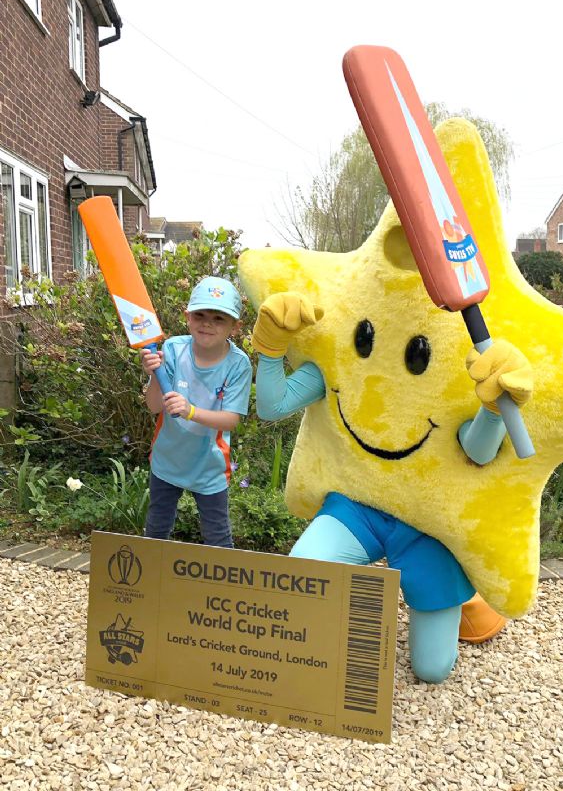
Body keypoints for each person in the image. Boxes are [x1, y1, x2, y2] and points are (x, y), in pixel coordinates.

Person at [251, 292, 533, 683]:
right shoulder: (342, 347)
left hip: (426, 523)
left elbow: (478, 452)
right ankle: (454, 598)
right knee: (306, 577)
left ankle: (466, 595)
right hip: (357, 506)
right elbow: (272, 405)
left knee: (432, 670)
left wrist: (491, 410)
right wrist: (269, 348)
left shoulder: (454, 354)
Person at [141, 277, 251, 547]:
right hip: (167, 460)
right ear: (187, 316)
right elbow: (155, 406)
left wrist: (190, 411)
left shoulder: (239, 365)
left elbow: (231, 420)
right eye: (200, 315)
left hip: (209, 466)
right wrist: (154, 374)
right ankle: (153, 588)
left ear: (235, 328)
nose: (207, 323)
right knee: (156, 532)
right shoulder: (172, 350)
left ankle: (223, 589)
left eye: (219, 318)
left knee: (218, 539)